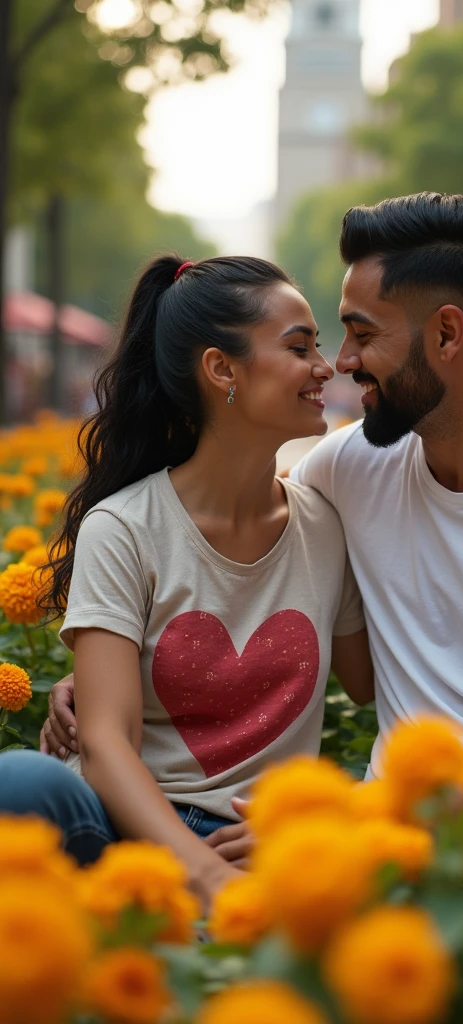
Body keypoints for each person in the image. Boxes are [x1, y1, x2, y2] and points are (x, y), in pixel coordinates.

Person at [44, 193, 463, 823]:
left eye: (361, 334)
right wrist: (113, 675)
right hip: (387, 832)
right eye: (322, 342)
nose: (341, 364)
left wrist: (400, 812)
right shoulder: (349, 468)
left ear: (447, 334)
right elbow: (212, 517)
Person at [0, 255, 372, 910]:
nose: (327, 367)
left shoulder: (327, 524)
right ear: (221, 369)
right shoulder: (126, 527)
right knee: (20, 784)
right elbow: (108, 742)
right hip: (132, 829)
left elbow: (379, 688)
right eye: (299, 347)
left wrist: (317, 815)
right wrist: (205, 875)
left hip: (267, 838)